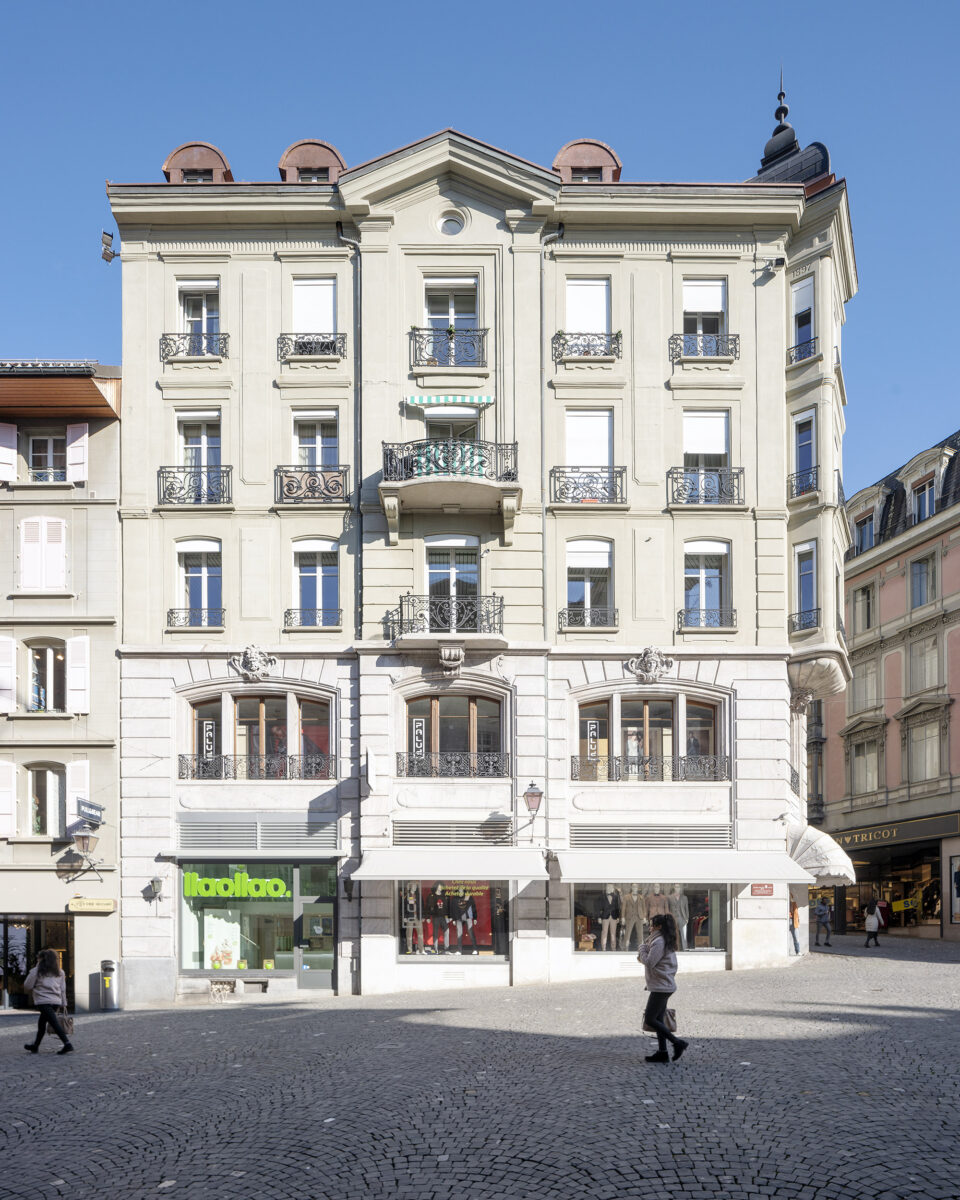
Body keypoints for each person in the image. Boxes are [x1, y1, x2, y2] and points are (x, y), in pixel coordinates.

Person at [637, 913, 688, 1064]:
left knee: (650, 1019)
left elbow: (649, 962)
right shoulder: (660, 940)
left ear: (659, 927)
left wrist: (641, 949)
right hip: (663, 984)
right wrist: (644, 953)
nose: (650, 928)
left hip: (661, 986)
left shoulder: (658, 941)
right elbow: (649, 960)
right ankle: (662, 1052)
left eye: (652, 925)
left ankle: (678, 1043)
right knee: (659, 1019)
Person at [23, 949, 73, 1055]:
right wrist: (64, 1003)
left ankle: (67, 1044)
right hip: (55, 1002)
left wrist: (37, 968)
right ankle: (35, 1046)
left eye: (38, 958)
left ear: (41, 960)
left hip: (43, 1002)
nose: (37, 960)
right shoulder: (60, 972)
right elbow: (62, 989)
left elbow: (27, 985)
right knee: (42, 1023)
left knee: (54, 1023)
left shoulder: (36, 971)